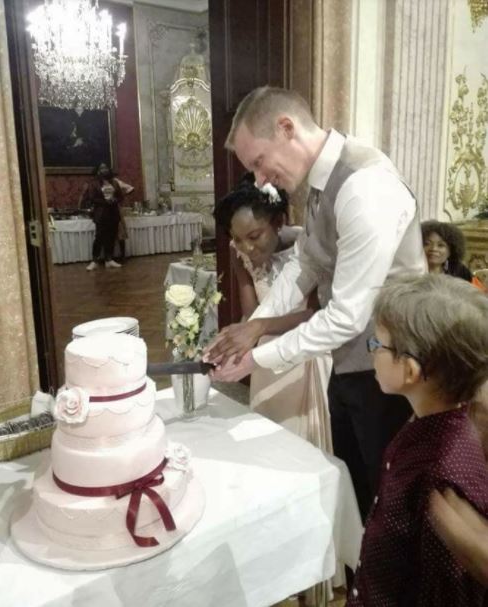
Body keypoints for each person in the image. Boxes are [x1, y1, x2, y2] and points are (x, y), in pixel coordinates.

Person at [204, 86, 426, 520]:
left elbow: (344, 318)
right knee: (354, 488)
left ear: (286, 128)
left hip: (391, 370)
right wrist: (253, 327)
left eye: (258, 162)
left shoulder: (364, 185)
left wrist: (257, 357)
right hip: (351, 367)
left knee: (389, 503)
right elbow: (306, 262)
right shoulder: (321, 186)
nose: (259, 180)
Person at [346, 273, 488, 605]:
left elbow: (449, 595)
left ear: (410, 370)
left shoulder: (442, 475)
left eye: (377, 344)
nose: (372, 352)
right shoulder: (427, 422)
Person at [214, 173, 332, 450]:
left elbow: (313, 315)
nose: (247, 247)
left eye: (254, 236)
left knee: (300, 443)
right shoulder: (238, 251)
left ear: (278, 222)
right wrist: (234, 343)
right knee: (266, 437)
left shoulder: (306, 246)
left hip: (303, 350)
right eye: (237, 239)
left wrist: (258, 328)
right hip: (264, 350)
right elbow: (251, 311)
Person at [80, 163, 132, 270]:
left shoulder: (114, 182)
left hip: (113, 213)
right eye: (102, 168)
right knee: (99, 237)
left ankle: (109, 260)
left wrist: (115, 200)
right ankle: (94, 261)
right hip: (101, 214)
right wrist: (105, 202)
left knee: (111, 237)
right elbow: (92, 198)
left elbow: (120, 197)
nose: (104, 170)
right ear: (98, 170)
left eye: (106, 168)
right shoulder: (93, 183)